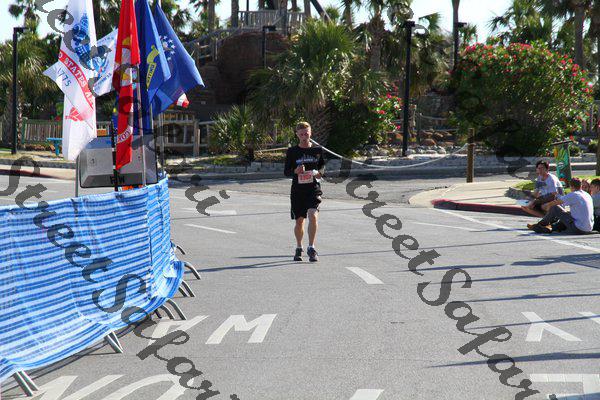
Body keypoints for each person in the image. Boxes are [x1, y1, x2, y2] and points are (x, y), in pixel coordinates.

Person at [284, 122, 325, 262]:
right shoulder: (292, 151)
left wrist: (319, 173)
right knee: (299, 221)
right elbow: (286, 171)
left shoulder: (317, 150)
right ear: (297, 135)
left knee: (313, 215)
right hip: (298, 190)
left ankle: (311, 247)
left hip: (313, 189)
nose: (304, 136)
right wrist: (295, 171)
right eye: (301, 134)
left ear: (310, 133)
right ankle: (298, 247)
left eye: (306, 133)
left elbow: (322, 167)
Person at [528, 177, 594, 234]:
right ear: (580, 186)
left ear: (571, 186)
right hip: (589, 228)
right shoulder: (587, 195)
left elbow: (556, 203)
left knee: (555, 208)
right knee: (566, 214)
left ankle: (540, 224)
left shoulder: (574, 194)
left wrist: (547, 206)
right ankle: (550, 228)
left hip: (578, 228)